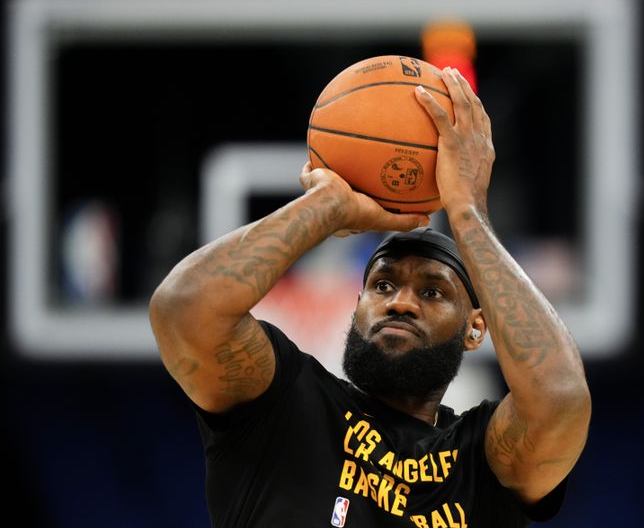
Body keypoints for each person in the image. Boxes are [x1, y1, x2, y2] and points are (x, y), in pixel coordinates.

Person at [149, 66, 591, 527]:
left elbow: (560, 399)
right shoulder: (286, 405)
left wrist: (467, 212)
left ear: (476, 328)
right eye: (382, 284)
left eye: (433, 291)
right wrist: (326, 208)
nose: (401, 301)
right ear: (356, 306)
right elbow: (182, 309)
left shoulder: (478, 461)